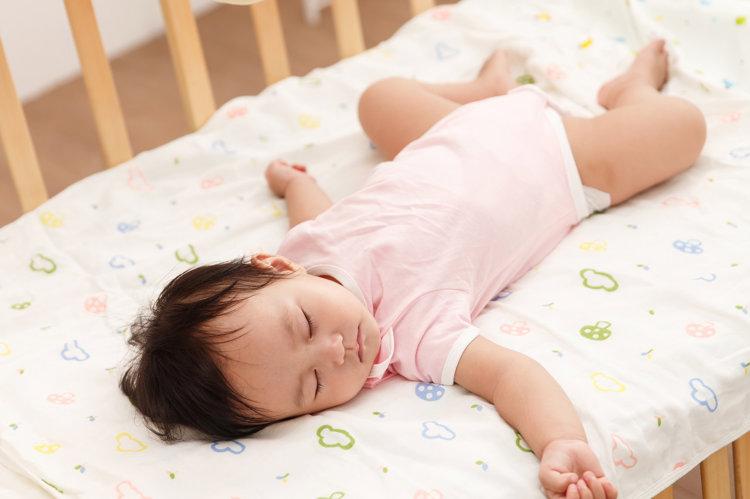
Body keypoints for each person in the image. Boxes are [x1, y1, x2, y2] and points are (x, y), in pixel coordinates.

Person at [120, 39, 706, 499]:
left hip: (453, 130)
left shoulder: (308, 249)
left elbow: (314, 214)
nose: (335, 352)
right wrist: (560, 440)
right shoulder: (417, 334)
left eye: (304, 325)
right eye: (314, 385)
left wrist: (297, 182)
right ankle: (633, 91)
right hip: (568, 159)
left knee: (379, 98)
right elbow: (510, 376)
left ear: (275, 267)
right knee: (683, 127)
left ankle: (484, 89)